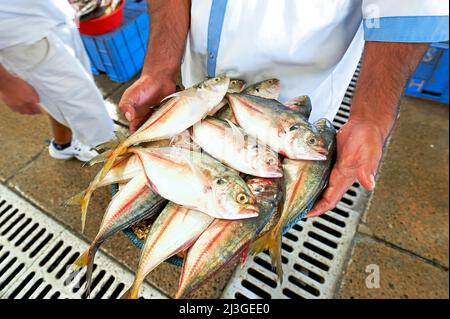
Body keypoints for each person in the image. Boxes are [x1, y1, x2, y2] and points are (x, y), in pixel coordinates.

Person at [118, 0, 448, 216]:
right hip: (198, 87)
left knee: (268, 198)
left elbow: (410, 8)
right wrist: (160, 67)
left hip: (296, 96)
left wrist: (371, 117)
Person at [0, 0, 114, 162]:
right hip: (21, 37)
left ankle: (63, 144)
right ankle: (118, 159)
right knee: (90, 114)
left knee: (74, 94)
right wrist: (6, 84)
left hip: (50, 15)